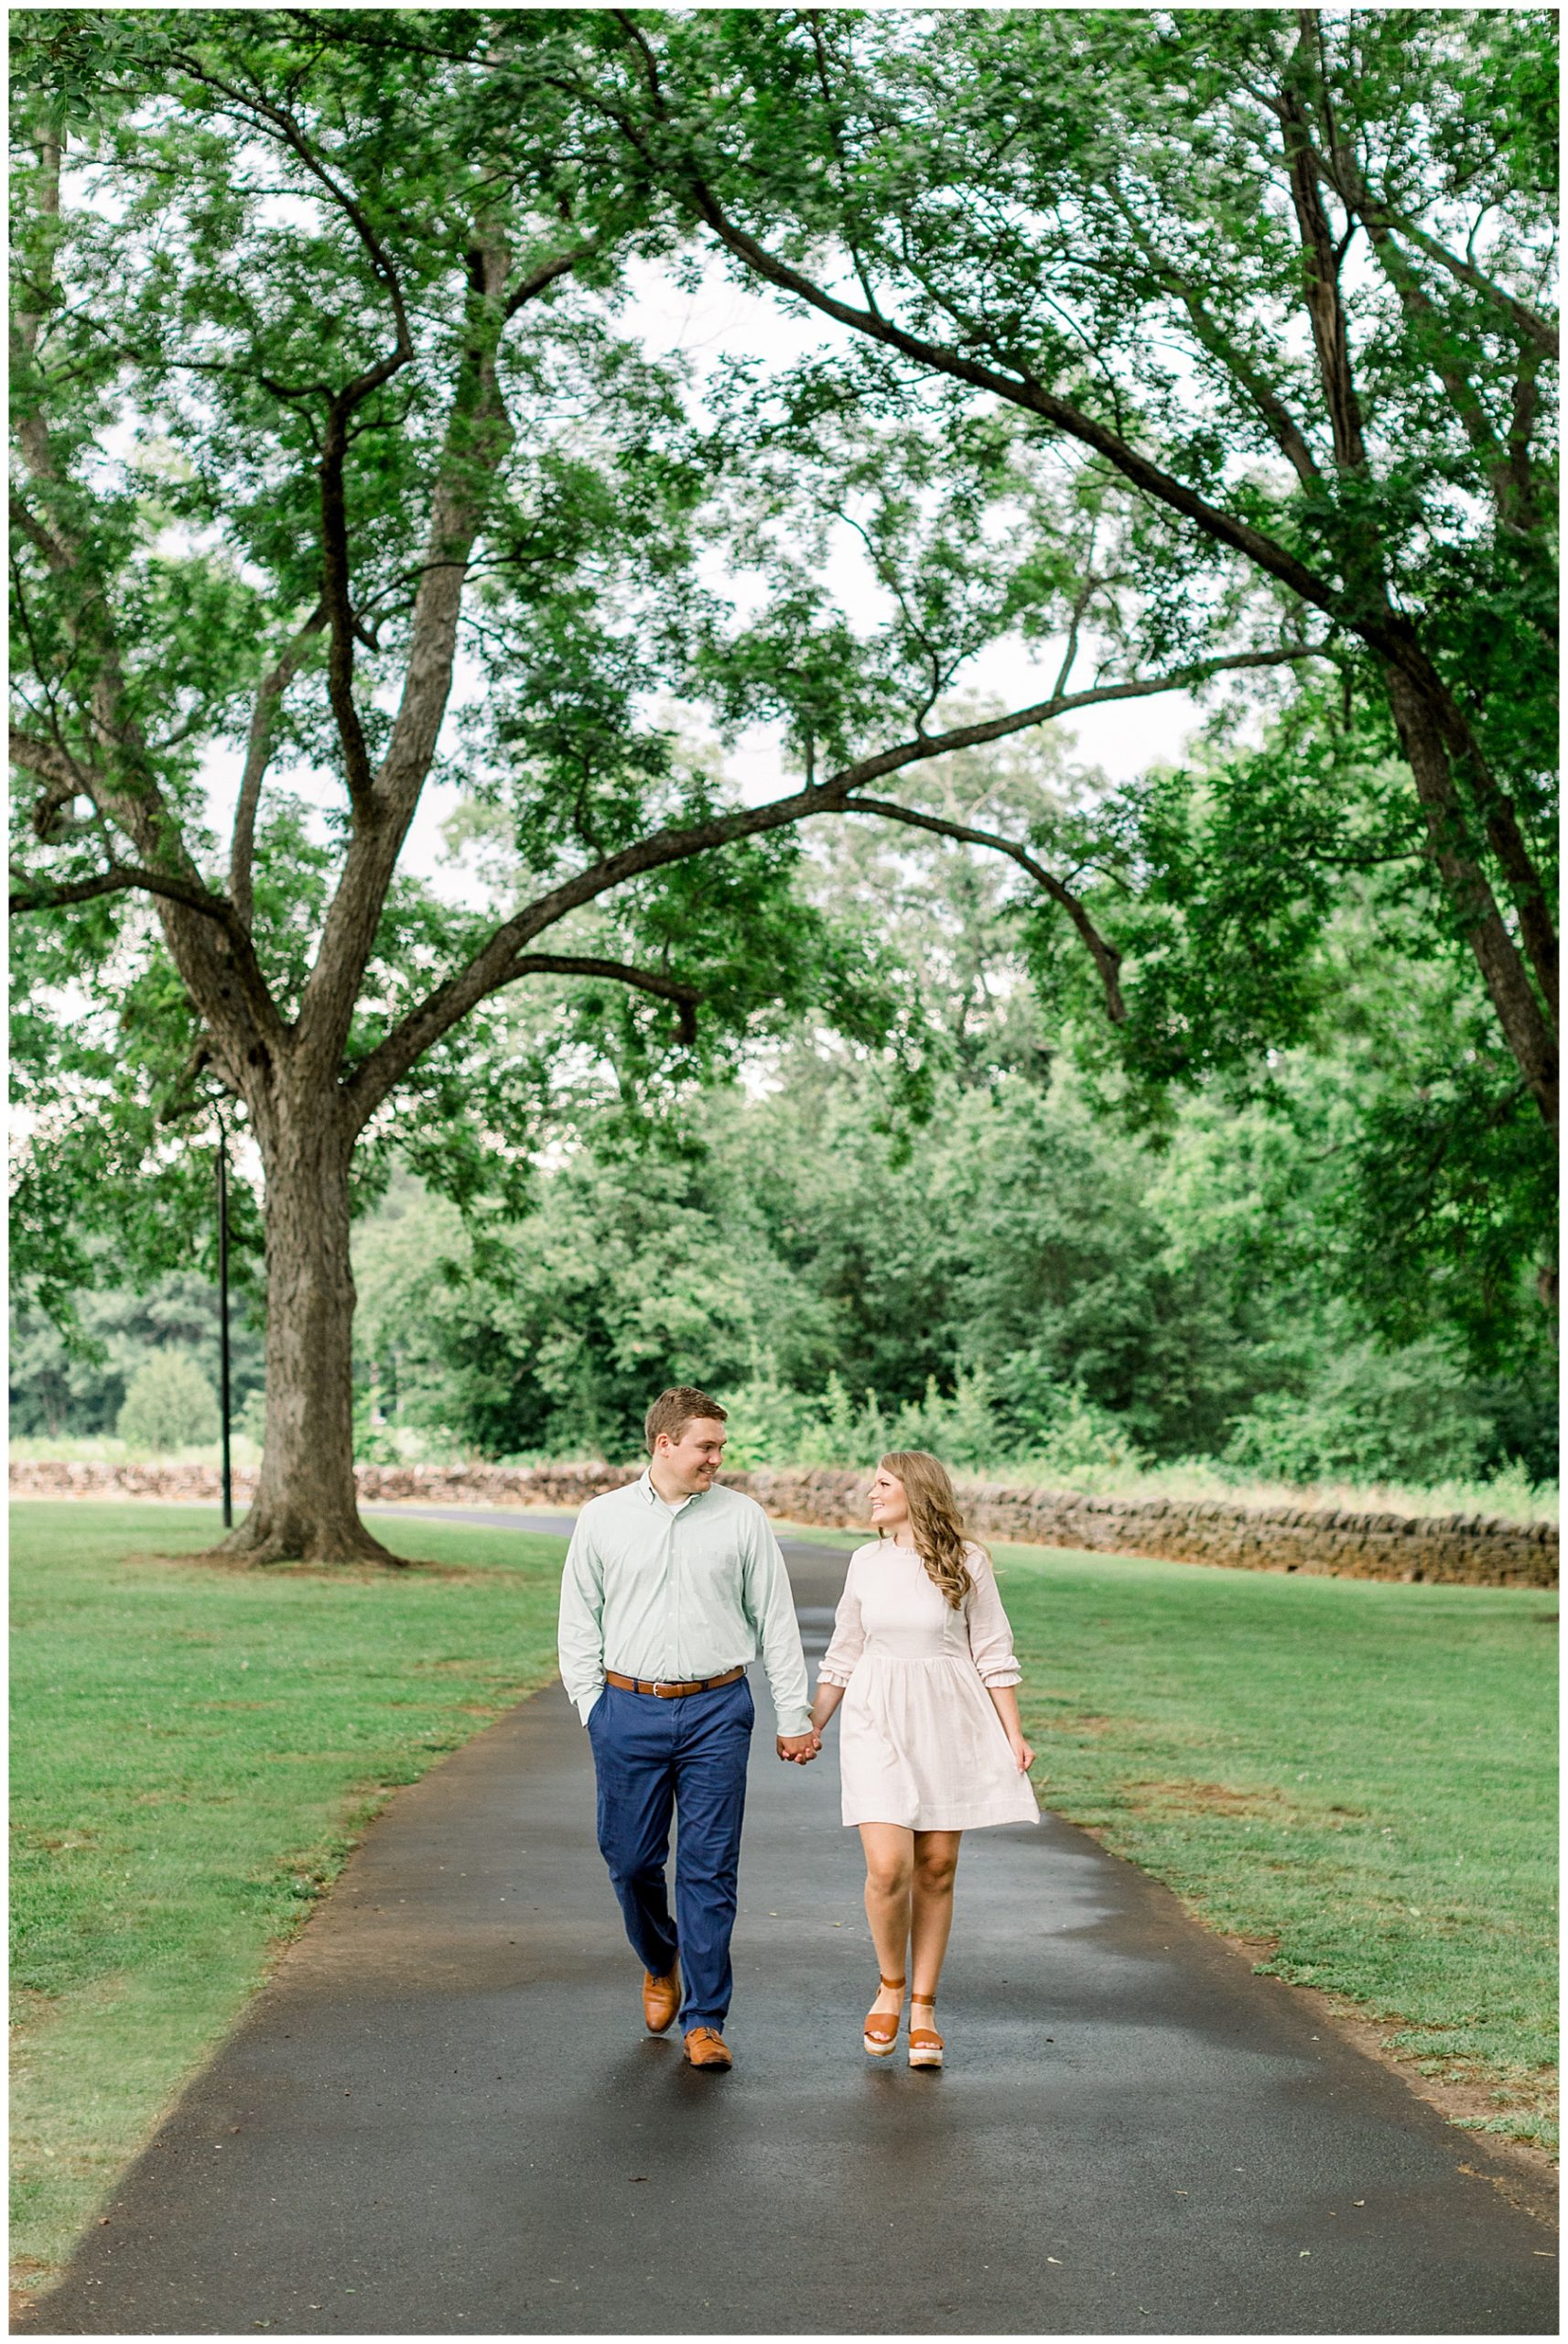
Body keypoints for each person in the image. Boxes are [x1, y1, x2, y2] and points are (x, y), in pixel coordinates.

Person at [557, 1385, 820, 2071]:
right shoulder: (603, 1518)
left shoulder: (742, 1518)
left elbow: (777, 1621)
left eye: (719, 1447)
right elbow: (578, 1618)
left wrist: (793, 1716)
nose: (717, 1459)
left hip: (716, 1711)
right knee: (631, 1861)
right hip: (627, 1709)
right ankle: (657, 1957)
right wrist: (593, 1706)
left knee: (708, 1870)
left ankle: (705, 2019)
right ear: (663, 1443)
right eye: (706, 1446)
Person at [808, 1449, 1038, 2069]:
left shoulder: (969, 1561)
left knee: (936, 1864)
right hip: (876, 1718)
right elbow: (844, 1651)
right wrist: (812, 1725)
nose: (869, 1493)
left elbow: (992, 1651)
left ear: (915, 1489)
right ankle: (889, 1986)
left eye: (881, 1484)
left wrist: (1012, 1733)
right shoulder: (865, 1561)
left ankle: (925, 2008)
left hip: (949, 1720)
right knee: (889, 1868)